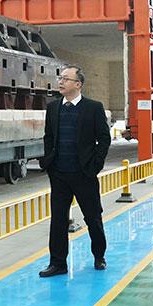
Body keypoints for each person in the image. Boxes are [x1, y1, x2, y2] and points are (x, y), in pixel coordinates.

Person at [38, 66, 112, 277]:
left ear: (78, 84)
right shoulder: (53, 108)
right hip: (59, 173)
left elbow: (104, 139)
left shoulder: (93, 108)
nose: (60, 82)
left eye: (66, 79)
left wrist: (95, 165)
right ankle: (58, 263)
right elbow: (49, 137)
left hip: (84, 173)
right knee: (58, 220)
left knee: (93, 217)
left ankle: (99, 256)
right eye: (60, 78)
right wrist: (49, 162)